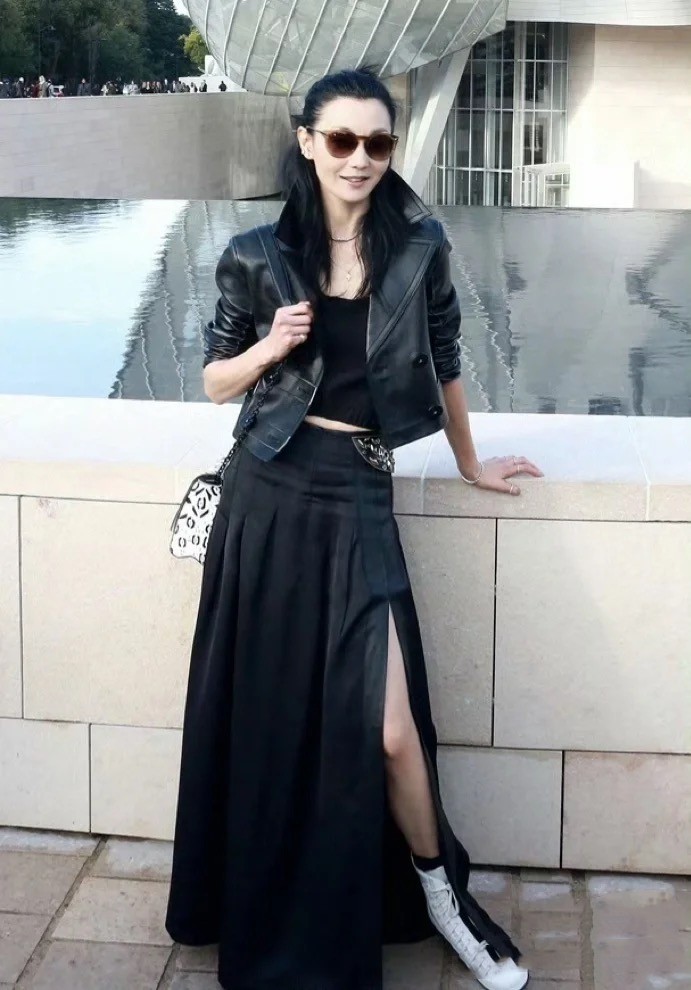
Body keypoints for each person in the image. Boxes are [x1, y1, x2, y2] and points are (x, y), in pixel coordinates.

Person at [164, 67, 541, 990]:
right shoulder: (258, 253)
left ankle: (442, 902)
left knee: (391, 733)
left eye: (377, 142)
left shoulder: (418, 248)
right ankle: (270, 912)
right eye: (341, 140)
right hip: (269, 494)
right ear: (307, 143)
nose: (360, 159)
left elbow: (446, 362)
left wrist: (468, 463)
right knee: (273, 722)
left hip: (358, 491)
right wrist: (271, 344)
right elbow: (213, 381)